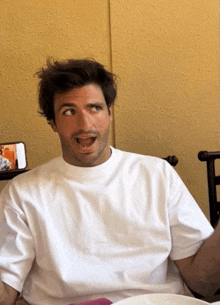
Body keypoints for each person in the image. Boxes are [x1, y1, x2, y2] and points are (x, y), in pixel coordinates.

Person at [0, 58, 219, 305]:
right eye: (69, 111)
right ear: (53, 123)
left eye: (94, 108)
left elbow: (203, 282)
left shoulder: (157, 174)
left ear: (110, 113)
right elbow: (6, 291)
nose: (85, 124)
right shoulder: (22, 193)